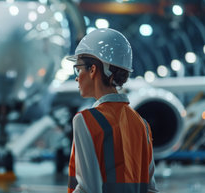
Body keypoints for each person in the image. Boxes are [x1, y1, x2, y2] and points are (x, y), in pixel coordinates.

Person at [67, 28, 158, 193]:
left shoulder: (85, 120)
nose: (76, 76)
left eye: (78, 69)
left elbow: (88, 189)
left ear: (93, 70)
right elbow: (151, 189)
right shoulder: (142, 124)